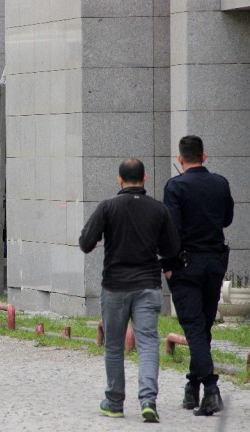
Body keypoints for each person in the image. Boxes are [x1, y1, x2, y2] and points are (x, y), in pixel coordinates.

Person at [79, 158, 180, 423]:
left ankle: (114, 402)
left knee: (113, 346)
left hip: (114, 286)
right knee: (148, 344)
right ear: (145, 178)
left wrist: (94, 245)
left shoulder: (108, 207)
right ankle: (148, 400)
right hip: (148, 285)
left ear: (120, 180)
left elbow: (85, 241)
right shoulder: (159, 210)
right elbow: (172, 249)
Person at [163, 135, 234, 416]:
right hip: (215, 264)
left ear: (180, 159)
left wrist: (167, 265)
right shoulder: (220, 183)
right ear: (204, 156)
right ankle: (192, 387)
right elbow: (227, 219)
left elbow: (171, 229)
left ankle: (211, 389)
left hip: (185, 266)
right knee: (202, 328)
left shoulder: (175, 186)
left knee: (193, 327)